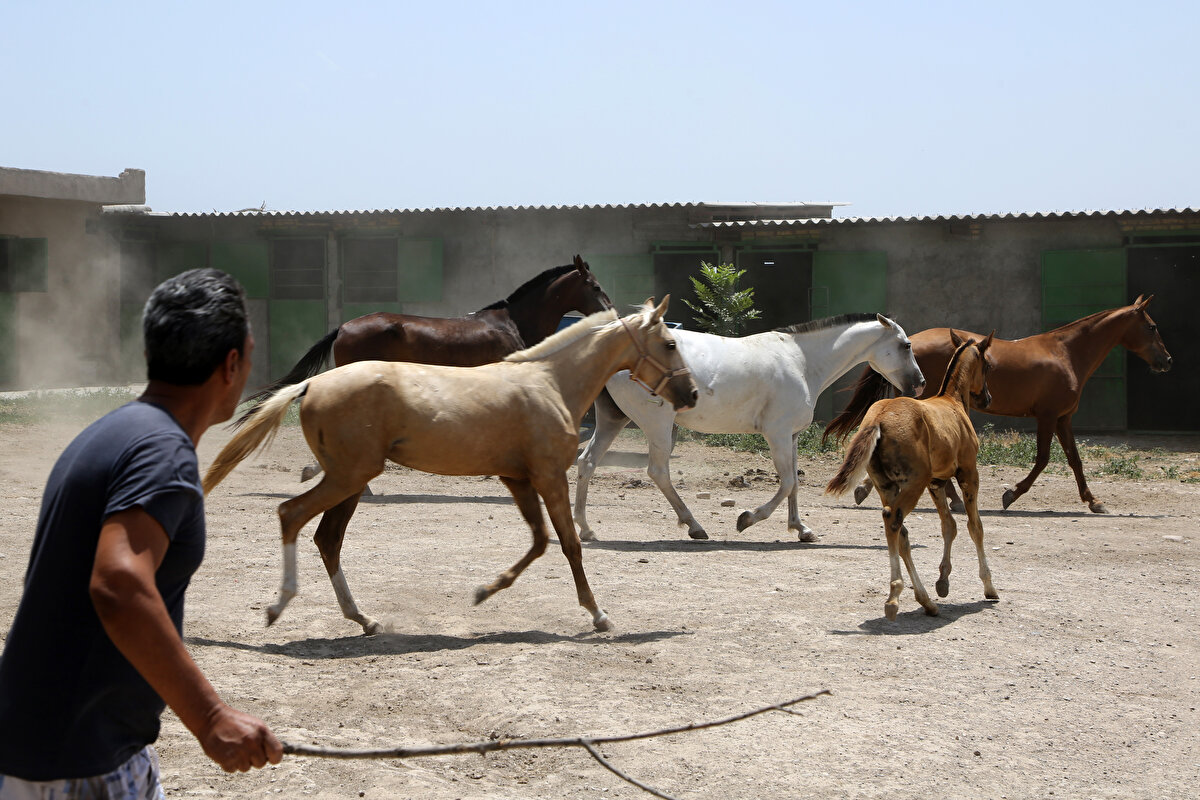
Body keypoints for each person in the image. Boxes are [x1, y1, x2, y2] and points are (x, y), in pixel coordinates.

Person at [0, 268, 282, 798]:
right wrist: (210, 716)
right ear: (231, 364)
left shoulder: (116, 432)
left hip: (58, 744)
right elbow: (119, 584)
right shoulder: (163, 454)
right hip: (76, 765)